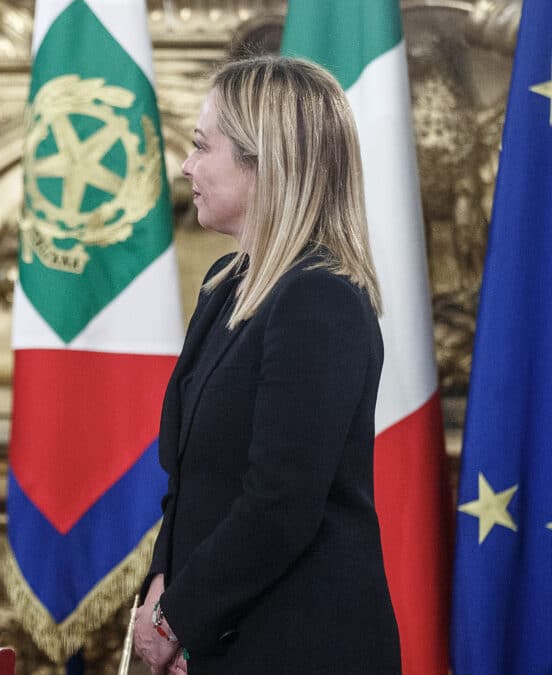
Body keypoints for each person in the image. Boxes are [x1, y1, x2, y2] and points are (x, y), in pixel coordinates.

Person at [132, 55, 402, 674]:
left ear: (264, 163)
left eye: (203, 147)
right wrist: (162, 587)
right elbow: (190, 479)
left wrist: (178, 616)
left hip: (297, 642)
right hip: (220, 635)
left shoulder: (319, 297)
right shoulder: (225, 283)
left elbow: (281, 503)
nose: (186, 166)